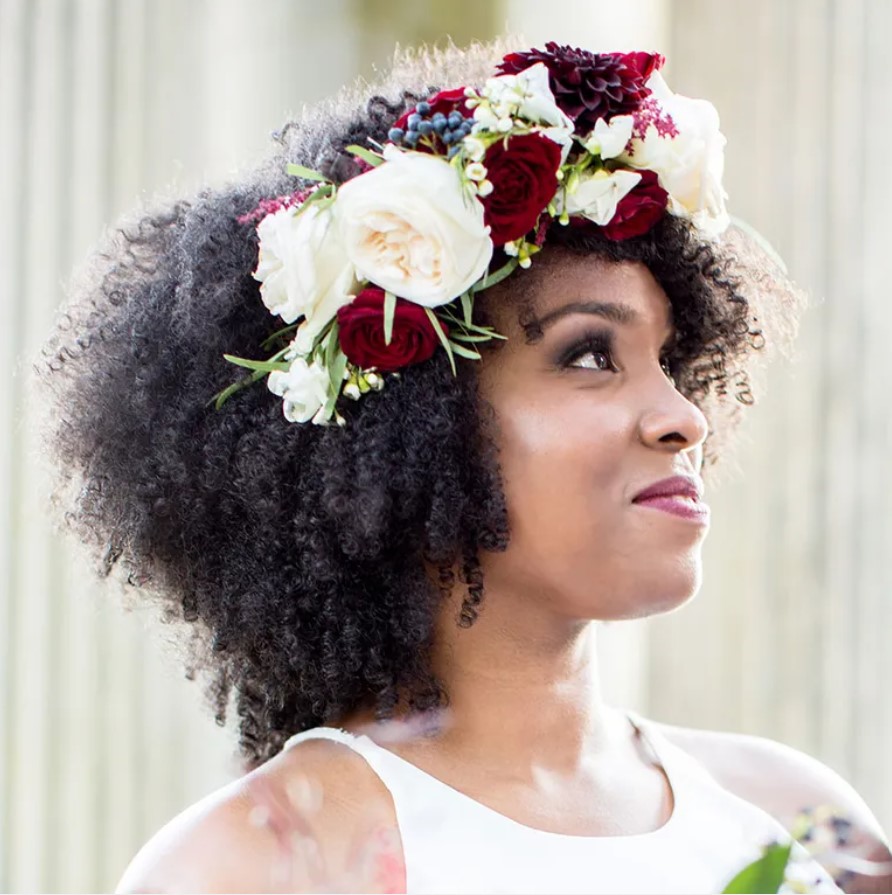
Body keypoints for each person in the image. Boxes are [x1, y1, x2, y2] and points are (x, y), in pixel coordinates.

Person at [34, 38, 891, 894]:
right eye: (590, 355)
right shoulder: (259, 867)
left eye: (669, 358)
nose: (683, 416)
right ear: (409, 427)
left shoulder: (805, 822)